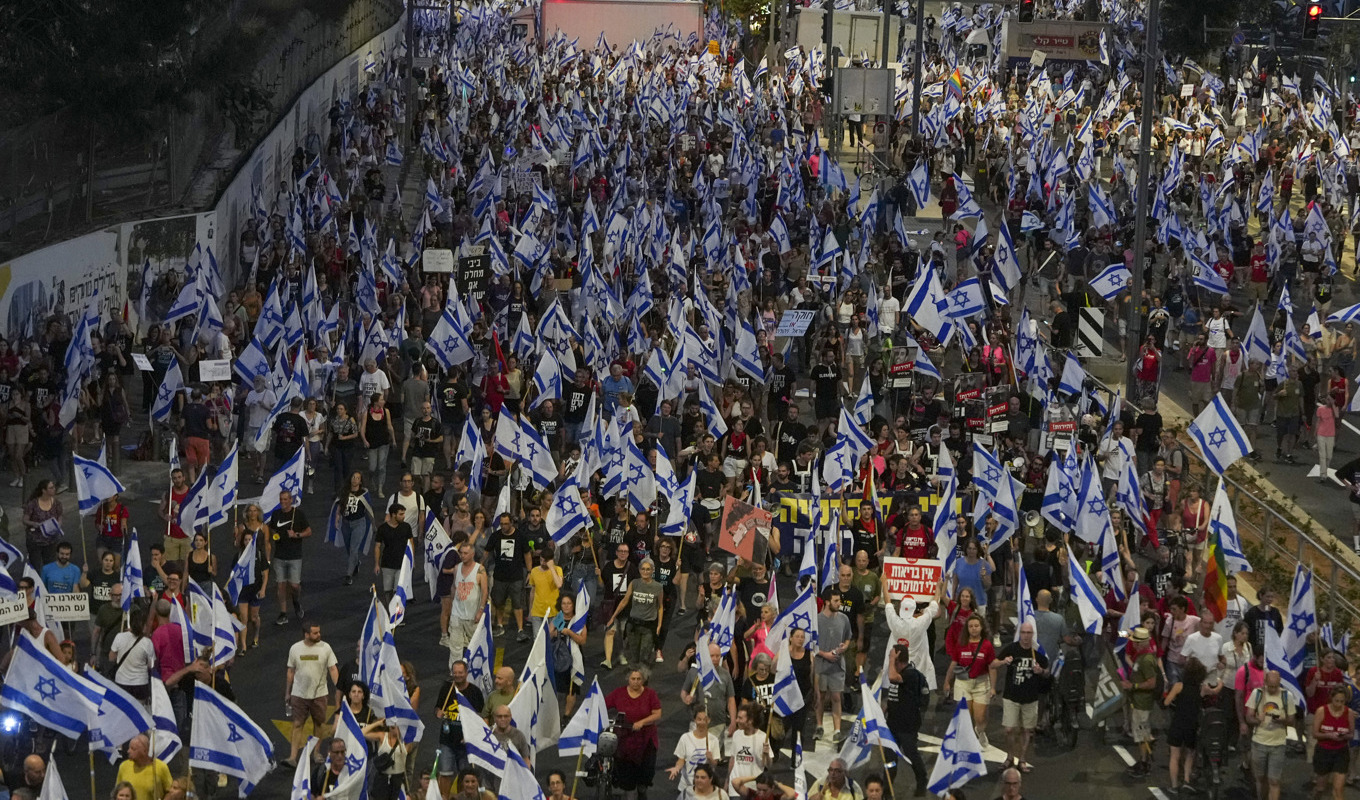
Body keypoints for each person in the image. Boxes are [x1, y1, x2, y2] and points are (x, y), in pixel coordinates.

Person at [991, 620, 1049, 774]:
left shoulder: (1037, 653)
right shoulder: (1011, 649)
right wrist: (1004, 661)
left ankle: (1022, 759)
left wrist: (1041, 671)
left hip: (1030, 697)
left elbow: (1047, 671)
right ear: (1019, 634)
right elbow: (993, 664)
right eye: (1023, 632)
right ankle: (1010, 756)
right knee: (1009, 729)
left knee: (1027, 730)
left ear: (1032, 635)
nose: (1026, 636)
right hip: (1011, 696)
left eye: (1029, 633)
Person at [284, 623, 339, 768]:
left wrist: (339, 688)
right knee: (297, 724)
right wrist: (287, 692)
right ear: (306, 634)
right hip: (299, 694)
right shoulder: (295, 648)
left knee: (319, 724)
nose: (319, 635)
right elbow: (290, 671)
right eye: (315, 633)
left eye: (319, 632)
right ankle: (292, 757)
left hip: (319, 694)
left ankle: (316, 753)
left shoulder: (326, 648)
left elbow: (333, 669)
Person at [605, 667, 662, 800]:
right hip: (625, 744)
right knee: (628, 783)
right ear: (628, 679)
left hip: (646, 742)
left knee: (644, 780)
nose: (636, 682)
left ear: (643, 680)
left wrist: (642, 722)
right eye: (633, 679)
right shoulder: (618, 693)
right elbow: (603, 704)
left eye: (639, 679)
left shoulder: (650, 694)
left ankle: (642, 793)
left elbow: (657, 714)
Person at [882, 642, 930, 796]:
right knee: (889, 758)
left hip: (907, 726)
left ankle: (922, 780)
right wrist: (885, 709)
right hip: (893, 724)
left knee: (911, 754)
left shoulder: (911, 674)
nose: (890, 658)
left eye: (892, 655)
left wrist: (890, 660)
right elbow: (894, 695)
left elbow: (892, 678)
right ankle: (887, 789)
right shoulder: (900, 674)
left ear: (897, 658)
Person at [434, 660, 483, 796]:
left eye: (460, 672)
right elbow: (438, 707)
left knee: (465, 776)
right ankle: (444, 798)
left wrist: (471, 736)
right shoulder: (446, 689)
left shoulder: (475, 692)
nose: (457, 675)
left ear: (466, 673)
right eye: (454, 672)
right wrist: (438, 712)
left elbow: (480, 717)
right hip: (447, 741)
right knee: (444, 773)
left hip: (467, 743)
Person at [1246, 669, 1295, 800]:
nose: (1273, 689)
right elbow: (1249, 717)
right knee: (1260, 779)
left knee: (1274, 780)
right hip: (1259, 742)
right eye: (1270, 686)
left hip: (1278, 744)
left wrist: (1282, 720)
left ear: (1280, 683)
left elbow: (1292, 721)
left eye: (1275, 686)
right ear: (1266, 682)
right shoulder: (1257, 694)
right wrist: (1257, 719)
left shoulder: (1287, 696)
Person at [1164, 657, 1211, 794]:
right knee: (1190, 754)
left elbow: (1166, 702)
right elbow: (1214, 692)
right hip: (1192, 725)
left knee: (1174, 755)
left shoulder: (1179, 686)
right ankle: (1186, 780)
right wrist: (1220, 683)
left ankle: (1173, 786)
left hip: (1178, 723)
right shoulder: (1201, 689)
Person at [607, 558, 665, 668]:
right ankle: (634, 678)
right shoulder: (634, 583)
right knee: (633, 656)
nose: (645, 572)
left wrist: (659, 625)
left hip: (648, 626)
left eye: (648, 569)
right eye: (643, 569)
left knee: (644, 655)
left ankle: (643, 679)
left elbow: (660, 607)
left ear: (653, 570)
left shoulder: (658, 587)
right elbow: (625, 601)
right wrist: (613, 617)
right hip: (633, 626)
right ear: (639, 570)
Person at [269, 488, 311, 625]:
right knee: (280, 586)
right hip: (279, 556)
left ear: (291, 500)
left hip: (294, 556)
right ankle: (283, 613)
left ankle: (296, 601)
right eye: (281, 499)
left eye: (285, 499)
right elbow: (272, 529)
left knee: (294, 586)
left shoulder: (298, 514)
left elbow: (309, 531)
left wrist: (297, 535)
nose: (283, 502)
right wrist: (274, 535)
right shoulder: (276, 514)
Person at [814, 590, 852, 742]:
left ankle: (837, 730)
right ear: (827, 602)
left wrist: (844, 647)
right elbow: (812, 645)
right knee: (820, 696)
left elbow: (848, 638)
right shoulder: (816, 620)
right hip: (820, 665)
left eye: (839, 601)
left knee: (836, 697)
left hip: (837, 666)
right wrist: (825, 654)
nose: (839, 604)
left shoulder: (844, 619)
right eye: (836, 601)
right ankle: (819, 726)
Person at [233, 504, 270, 651]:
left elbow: (267, 545)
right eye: (250, 510)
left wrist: (267, 561)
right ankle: (242, 646)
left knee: (253, 618)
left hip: (257, 580)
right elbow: (236, 545)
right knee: (243, 618)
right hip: (243, 587)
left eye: (255, 510)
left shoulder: (263, 528)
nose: (253, 513)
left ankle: (255, 635)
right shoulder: (239, 556)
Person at [1122, 626, 1159, 777]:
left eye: (1137, 642)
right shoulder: (1141, 656)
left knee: (1142, 734)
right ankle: (1143, 760)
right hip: (1138, 701)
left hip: (1142, 703)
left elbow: (1152, 682)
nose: (1134, 644)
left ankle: (1144, 763)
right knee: (1140, 734)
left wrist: (1134, 686)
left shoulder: (1146, 660)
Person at [668, 706, 722, 799]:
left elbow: (714, 765)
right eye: (699, 719)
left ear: (709, 720)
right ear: (694, 720)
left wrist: (711, 759)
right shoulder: (685, 738)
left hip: (704, 788)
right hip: (686, 787)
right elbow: (681, 760)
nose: (701, 722)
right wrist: (677, 768)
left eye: (704, 719)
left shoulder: (714, 740)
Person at [1312, 685, 1355, 800]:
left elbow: (1351, 734)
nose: (1339, 704)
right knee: (1320, 788)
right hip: (1323, 751)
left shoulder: (1349, 712)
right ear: (1331, 698)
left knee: (1338, 788)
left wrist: (1344, 736)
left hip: (1341, 752)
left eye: (1342, 701)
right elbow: (1315, 734)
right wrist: (1328, 735)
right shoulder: (1322, 711)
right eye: (1337, 701)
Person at [332, 472, 374, 584]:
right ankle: (356, 563)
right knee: (348, 548)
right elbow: (339, 506)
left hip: (359, 524)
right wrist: (337, 519)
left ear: (361, 481)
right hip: (346, 523)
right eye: (353, 477)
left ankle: (348, 575)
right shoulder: (345, 492)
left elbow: (369, 509)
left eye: (358, 478)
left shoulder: (363, 493)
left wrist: (374, 525)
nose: (355, 480)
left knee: (353, 549)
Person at [115, 734, 182, 800]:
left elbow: (170, 792)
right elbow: (118, 792)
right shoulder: (124, 766)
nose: (128, 751)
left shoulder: (160, 767)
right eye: (129, 748)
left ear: (145, 751)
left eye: (133, 749)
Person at [373, 503, 414, 605]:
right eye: (401, 514)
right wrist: (377, 564)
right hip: (387, 564)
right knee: (387, 591)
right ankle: (389, 614)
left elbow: (411, 544)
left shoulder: (406, 527)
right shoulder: (382, 529)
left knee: (398, 591)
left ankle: (396, 617)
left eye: (403, 514)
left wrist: (412, 560)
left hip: (402, 564)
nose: (403, 516)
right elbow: (377, 546)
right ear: (393, 515)